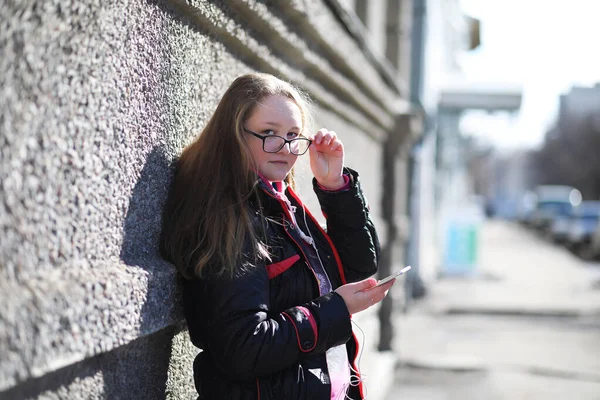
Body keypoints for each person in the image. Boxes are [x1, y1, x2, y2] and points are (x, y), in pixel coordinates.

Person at [161, 73, 395, 400]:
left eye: (293, 135)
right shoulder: (229, 217)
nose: (284, 149)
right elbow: (244, 346)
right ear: (235, 135)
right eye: (269, 133)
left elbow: (357, 265)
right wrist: (335, 309)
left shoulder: (280, 201)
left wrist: (335, 186)